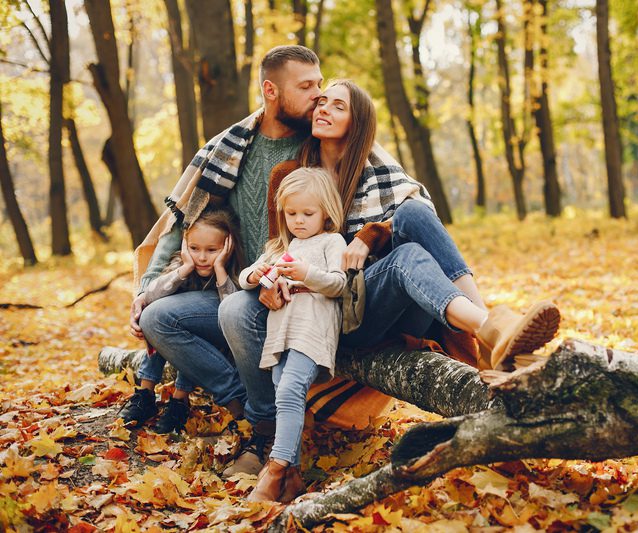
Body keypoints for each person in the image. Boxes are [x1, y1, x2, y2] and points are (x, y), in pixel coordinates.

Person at [218, 80, 561, 480]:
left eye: (338, 106)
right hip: (324, 308)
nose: (324, 108)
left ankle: (491, 331)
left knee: (412, 222)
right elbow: (280, 243)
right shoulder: (291, 174)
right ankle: (267, 431)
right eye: (321, 101)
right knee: (234, 309)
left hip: (377, 304)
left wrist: (370, 235)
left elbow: (417, 225)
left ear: (358, 121)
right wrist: (268, 283)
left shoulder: (377, 175)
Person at [129, 45, 323, 449]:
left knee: (236, 310)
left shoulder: (321, 146)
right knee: (158, 318)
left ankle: (262, 429)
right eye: (306, 86)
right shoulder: (230, 148)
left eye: (319, 84)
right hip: (235, 288)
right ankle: (240, 400)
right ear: (271, 90)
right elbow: (183, 221)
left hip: (295, 286)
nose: (318, 95)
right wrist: (144, 290)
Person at [238, 167, 347, 503]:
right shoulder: (281, 246)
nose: (298, 220)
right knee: (284, 393)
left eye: (307, 213)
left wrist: (307, 274)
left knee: (288, 390)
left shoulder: (331, 242)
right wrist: (256, 274)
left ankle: (274, 469)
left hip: (312, 329)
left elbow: (338, 284)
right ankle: (293, 477)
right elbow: (244, 278)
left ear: (326, 212)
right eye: (291, 213)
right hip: (282, 331)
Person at [123, 207, 245, 433]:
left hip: (212, 331)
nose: (201, 257)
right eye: (194, 248)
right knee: (155, 310)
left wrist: (220, 268)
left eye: (212, 250)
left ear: (227, 247)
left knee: (184, 329)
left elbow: (232, 309)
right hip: (170, 331)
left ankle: (180, 400)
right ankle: (145, 392)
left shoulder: (229, 269)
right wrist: (184, 269)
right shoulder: (183, 264)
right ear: (184, 246)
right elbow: (151, 294)